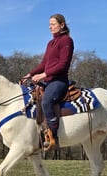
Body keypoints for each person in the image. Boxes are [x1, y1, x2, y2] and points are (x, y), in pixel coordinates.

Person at [22, 14, 74, 151]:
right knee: (32, 96)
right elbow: (44, 63)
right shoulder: (50, 43)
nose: (50, 27)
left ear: (62, 25)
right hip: (49, 80)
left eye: (53, 24)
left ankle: (53, 136)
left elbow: (63, 65)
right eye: (49, 24)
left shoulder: (66, 41)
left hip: (59, 80)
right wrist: (30, 74)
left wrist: (44, 75)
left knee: (46, 101)